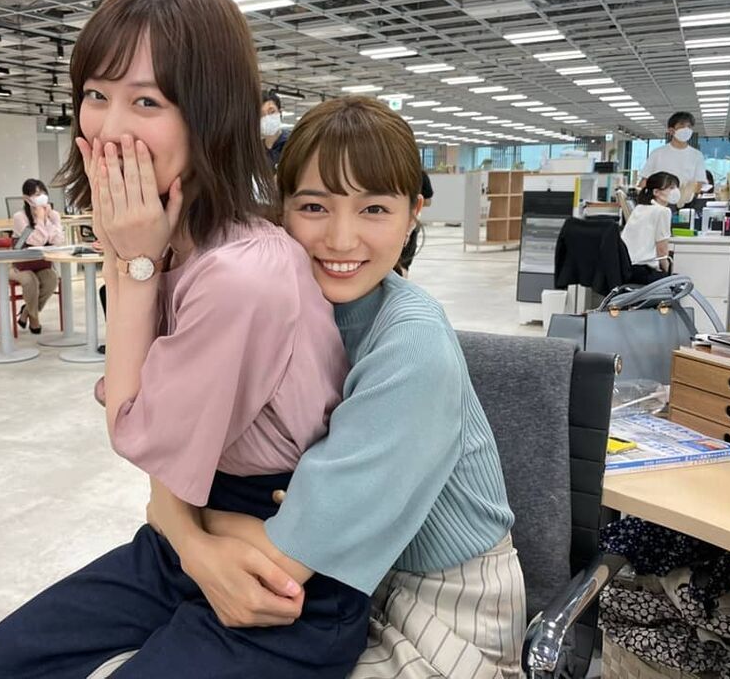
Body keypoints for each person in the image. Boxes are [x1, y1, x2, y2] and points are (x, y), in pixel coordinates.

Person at [0, 0, 370, 679]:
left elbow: (134, 428)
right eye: (96, 95)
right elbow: (146, 423)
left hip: (287, 571)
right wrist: (137, 258)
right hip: (189, 528)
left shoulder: (241, 272)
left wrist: (132, 265)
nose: (111, 128)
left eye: (146, 101)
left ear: (210, 116)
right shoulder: (177, 238)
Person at [145, 97, 524, 679]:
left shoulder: (412, 343)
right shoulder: (282, 304)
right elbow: (173, 434)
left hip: (442, 607)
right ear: (282, 209)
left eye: (374, 209)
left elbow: (286, 557)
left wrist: (184, 520)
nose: (342, 239)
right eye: (314, 206)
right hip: (343, 580)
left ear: (413, 213)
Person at [11, 178, 63, 334]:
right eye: (36, 194)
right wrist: (40, 219)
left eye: (43, 193)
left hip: (42, 263)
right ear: (26, 198)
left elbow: (58, 240)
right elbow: (36, 241)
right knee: (30, 281)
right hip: (20, 265)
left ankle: (26, 311)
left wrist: (49, 219)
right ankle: (34, 318)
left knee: (51, 278)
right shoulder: (20, 217)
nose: (41, 197)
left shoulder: (53, 215)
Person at [622, 171, 678, 285]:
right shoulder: (663, 211)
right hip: (643, 272)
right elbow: (662, 250)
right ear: (656, 192)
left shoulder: (639, 208)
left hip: (625, 269)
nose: (675, 191)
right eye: (671, 188)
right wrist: (668, 272)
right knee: (679, 282)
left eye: (676, 187)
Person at [638, 112, 705, 205]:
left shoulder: (697, 155)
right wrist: (642, 202)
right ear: (671, 131)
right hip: (659, 203)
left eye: (689, 126)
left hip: (686, 204)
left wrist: (687, 194)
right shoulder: (657, 153)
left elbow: (699, 184)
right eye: (682, 126)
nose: (686, 129)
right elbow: (645, 181)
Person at [399, 169, 433, 276]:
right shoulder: (420, 174)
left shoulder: (390, 171)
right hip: (412, 220)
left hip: (409, 222)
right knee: (403, 263)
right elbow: (428, 201)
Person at [262, 89, 290, 168]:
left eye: (272, 112)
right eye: (261, 115)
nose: (267, 118)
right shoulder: (255, 150)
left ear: (280, 113)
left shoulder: (292, 145)